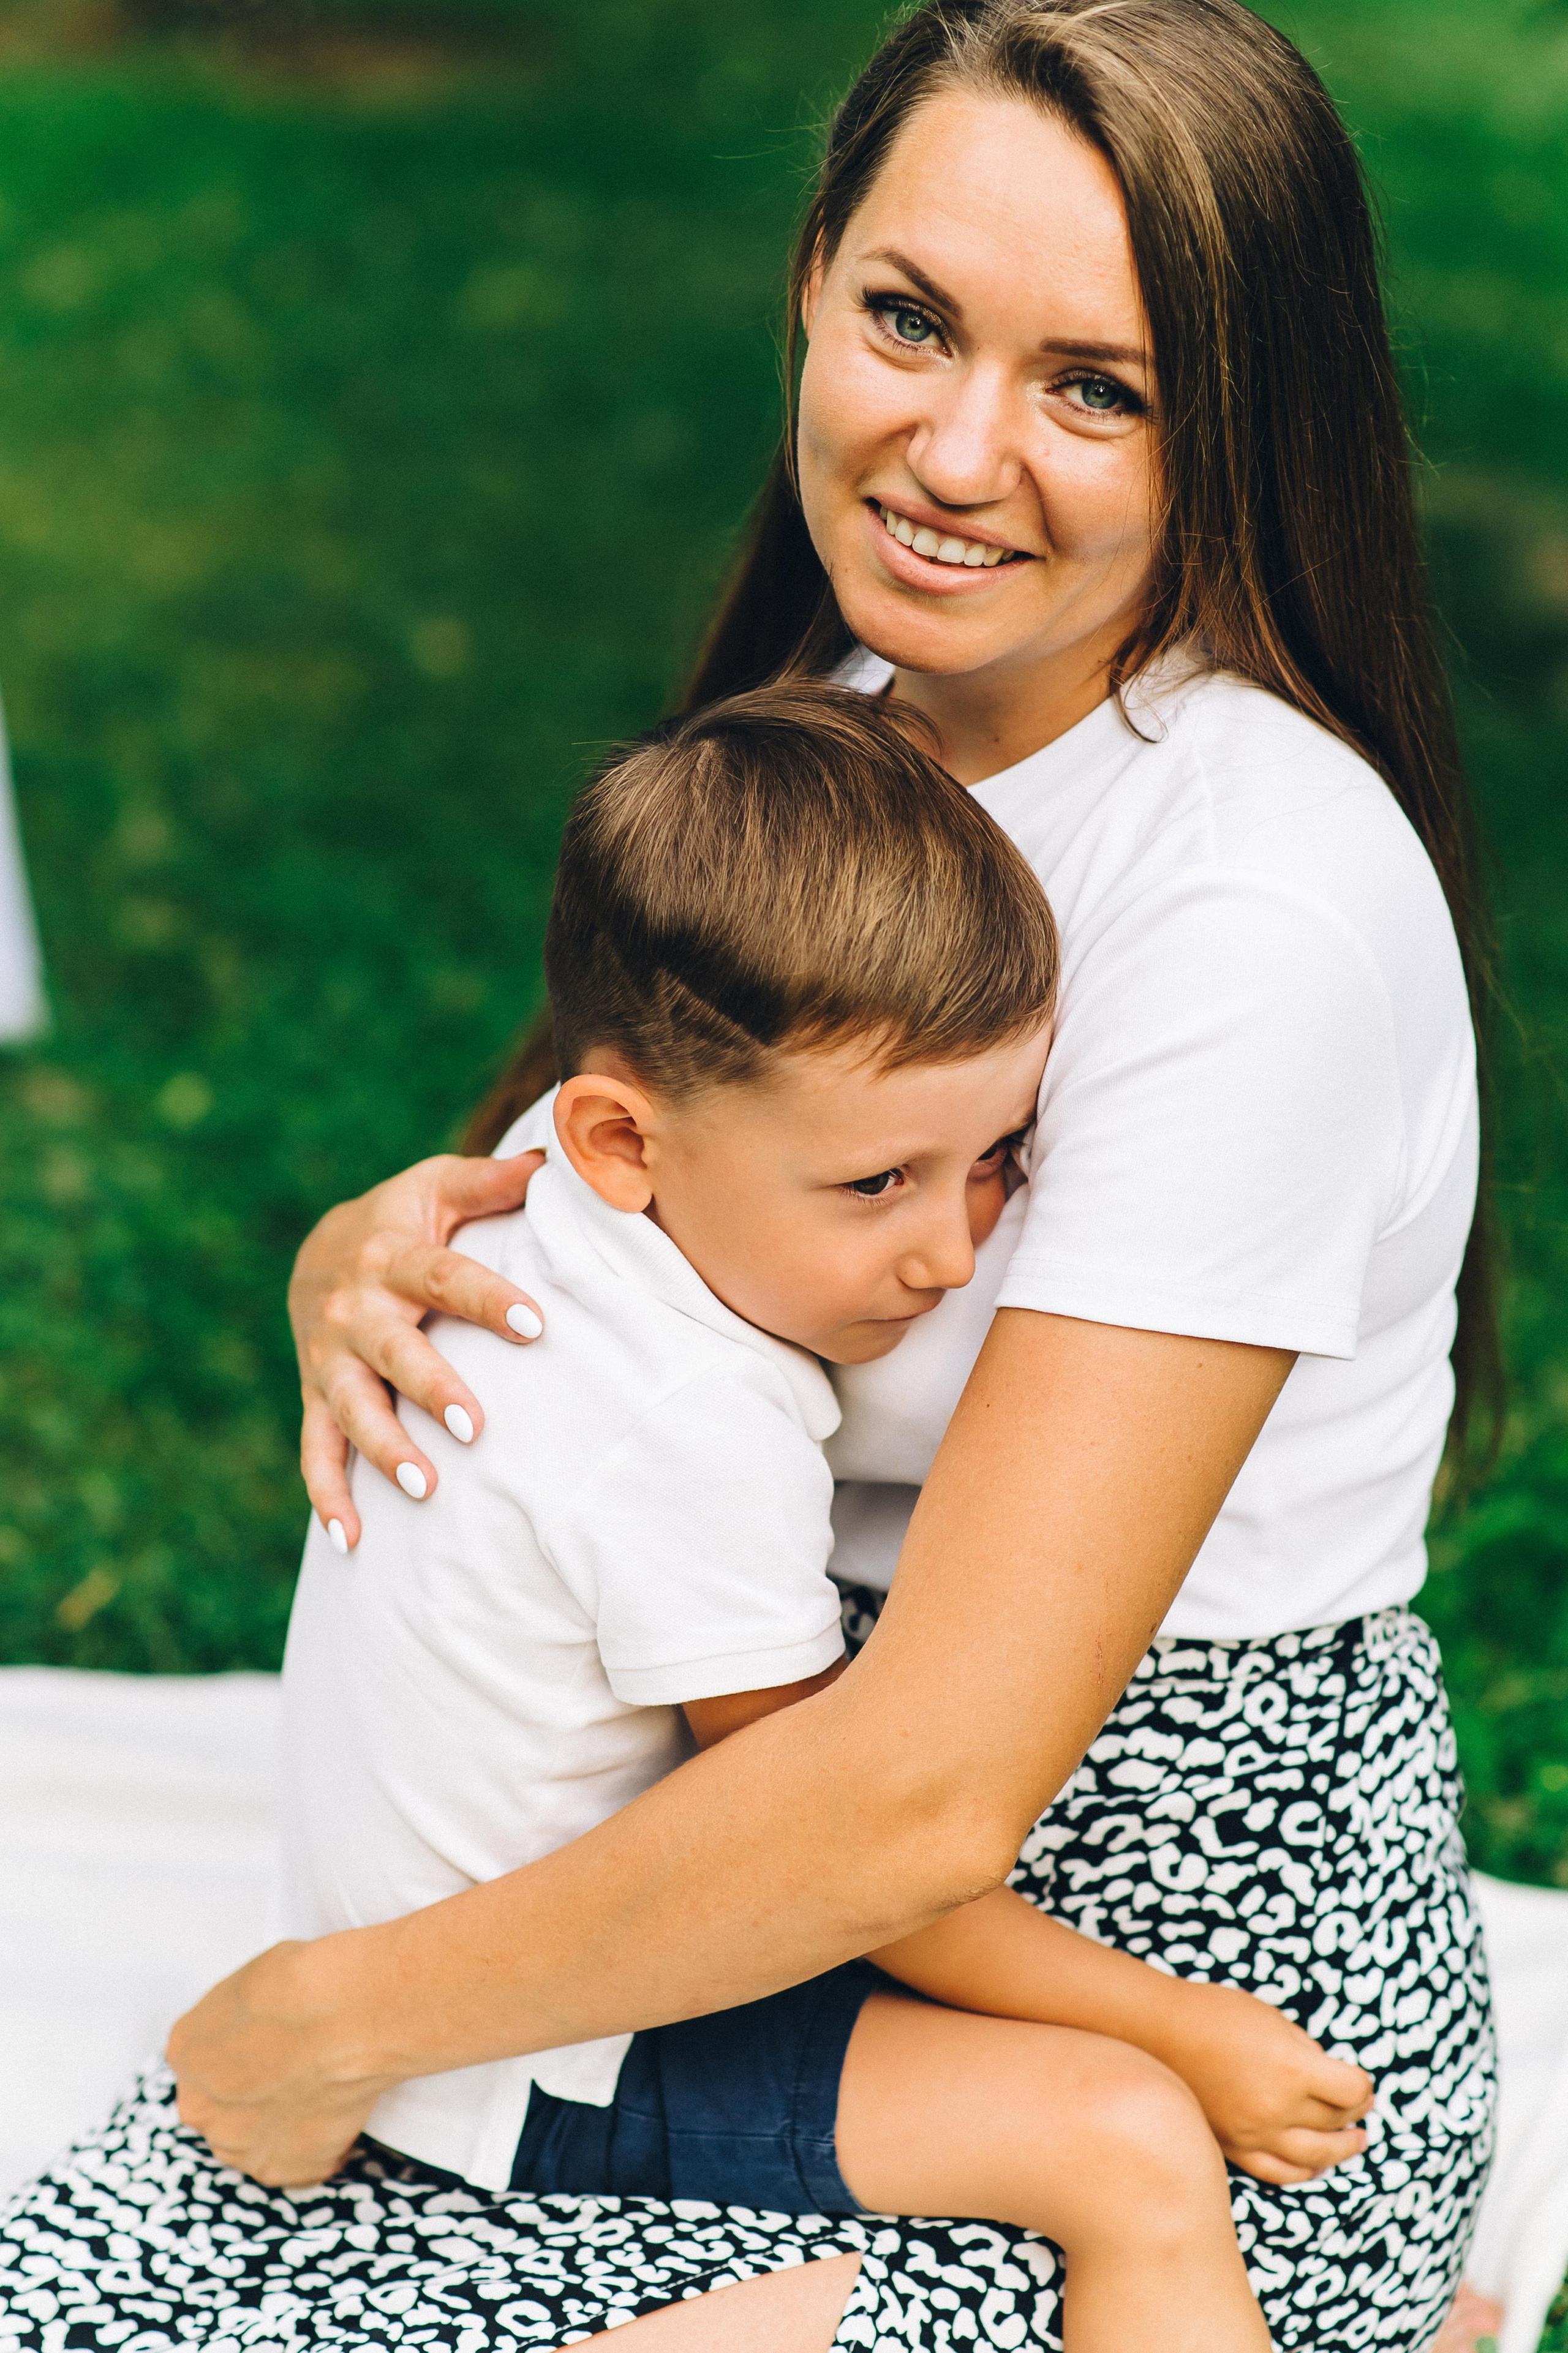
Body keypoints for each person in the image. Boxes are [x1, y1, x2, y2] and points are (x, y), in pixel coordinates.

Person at [9, 3, 1493, 2349]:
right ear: (810, 281)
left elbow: (920, 1804)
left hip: (1138, 1981)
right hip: (730, 1862)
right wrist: (372, 1251)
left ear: (1236, 422)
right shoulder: (865, 741)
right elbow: (659, 1178)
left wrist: (336, 2012)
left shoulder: (1253, 907)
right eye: (912, 319)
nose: (960, 449)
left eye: (1096, 385)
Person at [282, 683, 1372, 2351]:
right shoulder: (680, 1419)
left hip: (484, 1944)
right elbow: (836, 1865)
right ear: (622, 1137)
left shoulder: (549, 1216)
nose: (952, 1252)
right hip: (522, 2054)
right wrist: (1182, 2024)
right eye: (880, 1183)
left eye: (997, 1157)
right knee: (1126, 2136)